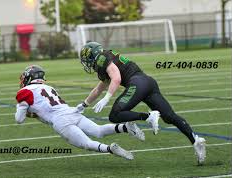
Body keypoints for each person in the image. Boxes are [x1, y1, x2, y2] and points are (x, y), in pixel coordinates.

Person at [75, 42, 206, 164]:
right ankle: (195, 140)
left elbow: (116, 78)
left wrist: (107, 97)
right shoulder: (107, 57)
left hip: (137, 83)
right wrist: (84, 104)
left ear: (92, 55)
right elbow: (98, 89)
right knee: (169, 116)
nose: (86, 63)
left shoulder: (101, 58)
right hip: (148, 82)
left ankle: (149, 116)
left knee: (115, 115)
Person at [15, 65, 146, 160]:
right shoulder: (49, 87)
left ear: (28, 77)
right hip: (72, 112)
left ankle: (110, 148)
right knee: (98, 130)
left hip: (61, 121)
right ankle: (125, 127)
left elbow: (19, 119)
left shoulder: (24, 92)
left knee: (87, 144)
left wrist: (25, 110)